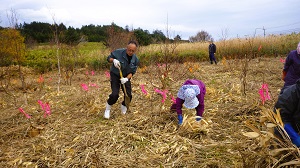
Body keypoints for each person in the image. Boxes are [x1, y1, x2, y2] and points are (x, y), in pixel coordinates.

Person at [104, 41, 139, 119]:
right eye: (129, 50)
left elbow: (132, 72)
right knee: (115, 94)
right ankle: (107, 109)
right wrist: (113, 60)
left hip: (125, 77)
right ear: (127, 48)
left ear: (135, 50)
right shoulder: (118, 52)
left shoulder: (135, 59)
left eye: (133, 51)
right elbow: (108, 58)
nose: (130, 52)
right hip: (115, 75)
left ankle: (124, 107)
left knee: (128, 95)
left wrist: (126, 78)